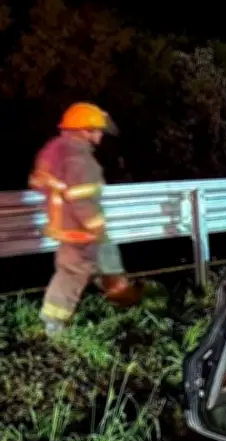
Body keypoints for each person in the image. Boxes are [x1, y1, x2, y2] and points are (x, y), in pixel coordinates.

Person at [29, 102, 141, 336]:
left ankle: (122, 298)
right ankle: (54, 326)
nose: (100, 135)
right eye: (97, 130)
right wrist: (96, 227)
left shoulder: (54, 149)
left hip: (61, 225)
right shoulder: (80, 159)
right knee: (76, 273)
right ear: (84, 130)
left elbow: (39, 181)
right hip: (79, 229)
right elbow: (83, 200)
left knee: (96, 265)